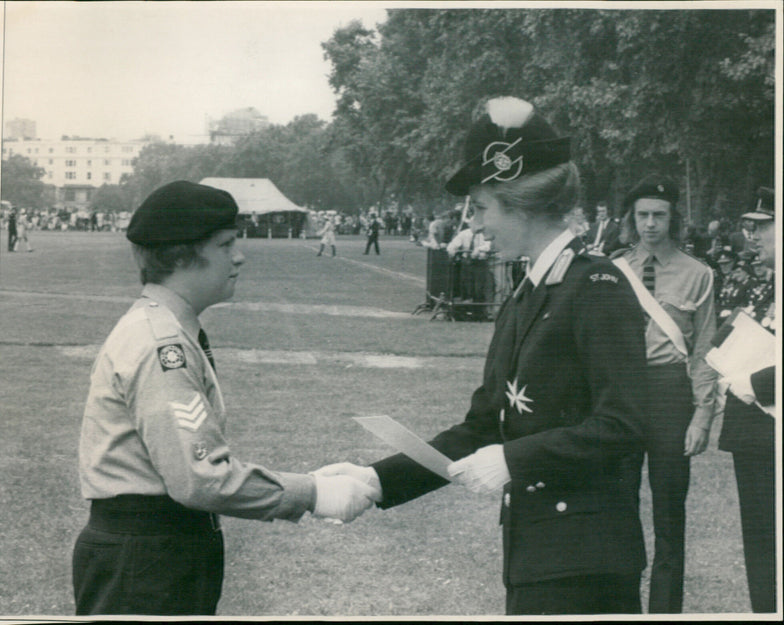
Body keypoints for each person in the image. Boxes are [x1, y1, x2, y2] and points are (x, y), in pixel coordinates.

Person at [318, 97, 650, 615]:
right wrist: (378, 480)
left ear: (521, 205)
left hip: (588, 560)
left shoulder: (596, 285)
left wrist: (515, 459)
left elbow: (625, 424)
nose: (472, 222)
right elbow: (484, 425)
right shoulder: (527, 294)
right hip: (536, 550)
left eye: (480, 207)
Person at [72, 181, 377, 616]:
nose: (239, 256)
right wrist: (313, 493)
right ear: (182, 255)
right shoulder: (162, 345)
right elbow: (201, 479)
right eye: (226, 244)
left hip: (155, 549)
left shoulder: (165, 330)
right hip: (147, 557)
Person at [612, 175, 718, 614]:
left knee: (670, 510)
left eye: (659, 215)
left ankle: (665, 610)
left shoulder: (699, 274)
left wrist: (702, 416)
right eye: (643, 215)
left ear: (674, 219)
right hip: (621, 393)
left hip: (670, 392)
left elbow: (705, 350)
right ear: (632, 219)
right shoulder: (613, 269)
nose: (650, 224)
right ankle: (618, 604)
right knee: (617, 504)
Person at [718, 188, 776, 613]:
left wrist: (754, 384)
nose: (752, 236)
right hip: (754, 436)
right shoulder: (762, 285)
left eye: (764, 227)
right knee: (761, 546)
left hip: (769, 421)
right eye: (750, 228)